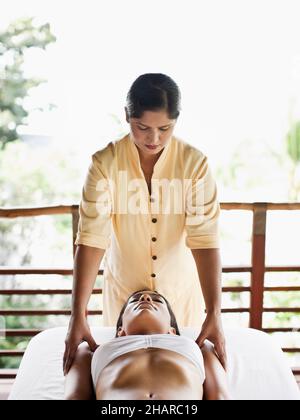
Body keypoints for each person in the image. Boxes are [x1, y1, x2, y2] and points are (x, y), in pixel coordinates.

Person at [63, 73, 226, 375]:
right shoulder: (104, 164)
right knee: (125, 377)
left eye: (165, 129)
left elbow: (205, 240)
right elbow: (91, 239)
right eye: (143, 128)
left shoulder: (195, 164)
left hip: (182, 298)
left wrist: (214, 312)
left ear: (176, 121)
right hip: (124, 302)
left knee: (180, 378)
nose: (153, 139)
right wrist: (78, 314)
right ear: (127, 116)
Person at [64, 291, 231, 400]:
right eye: (134, 301)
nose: (145, 298)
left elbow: (220, 396)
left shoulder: (201, 348)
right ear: (121, 330)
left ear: (172, 330)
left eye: (157, 300)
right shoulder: (90, 351)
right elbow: (74, 397)